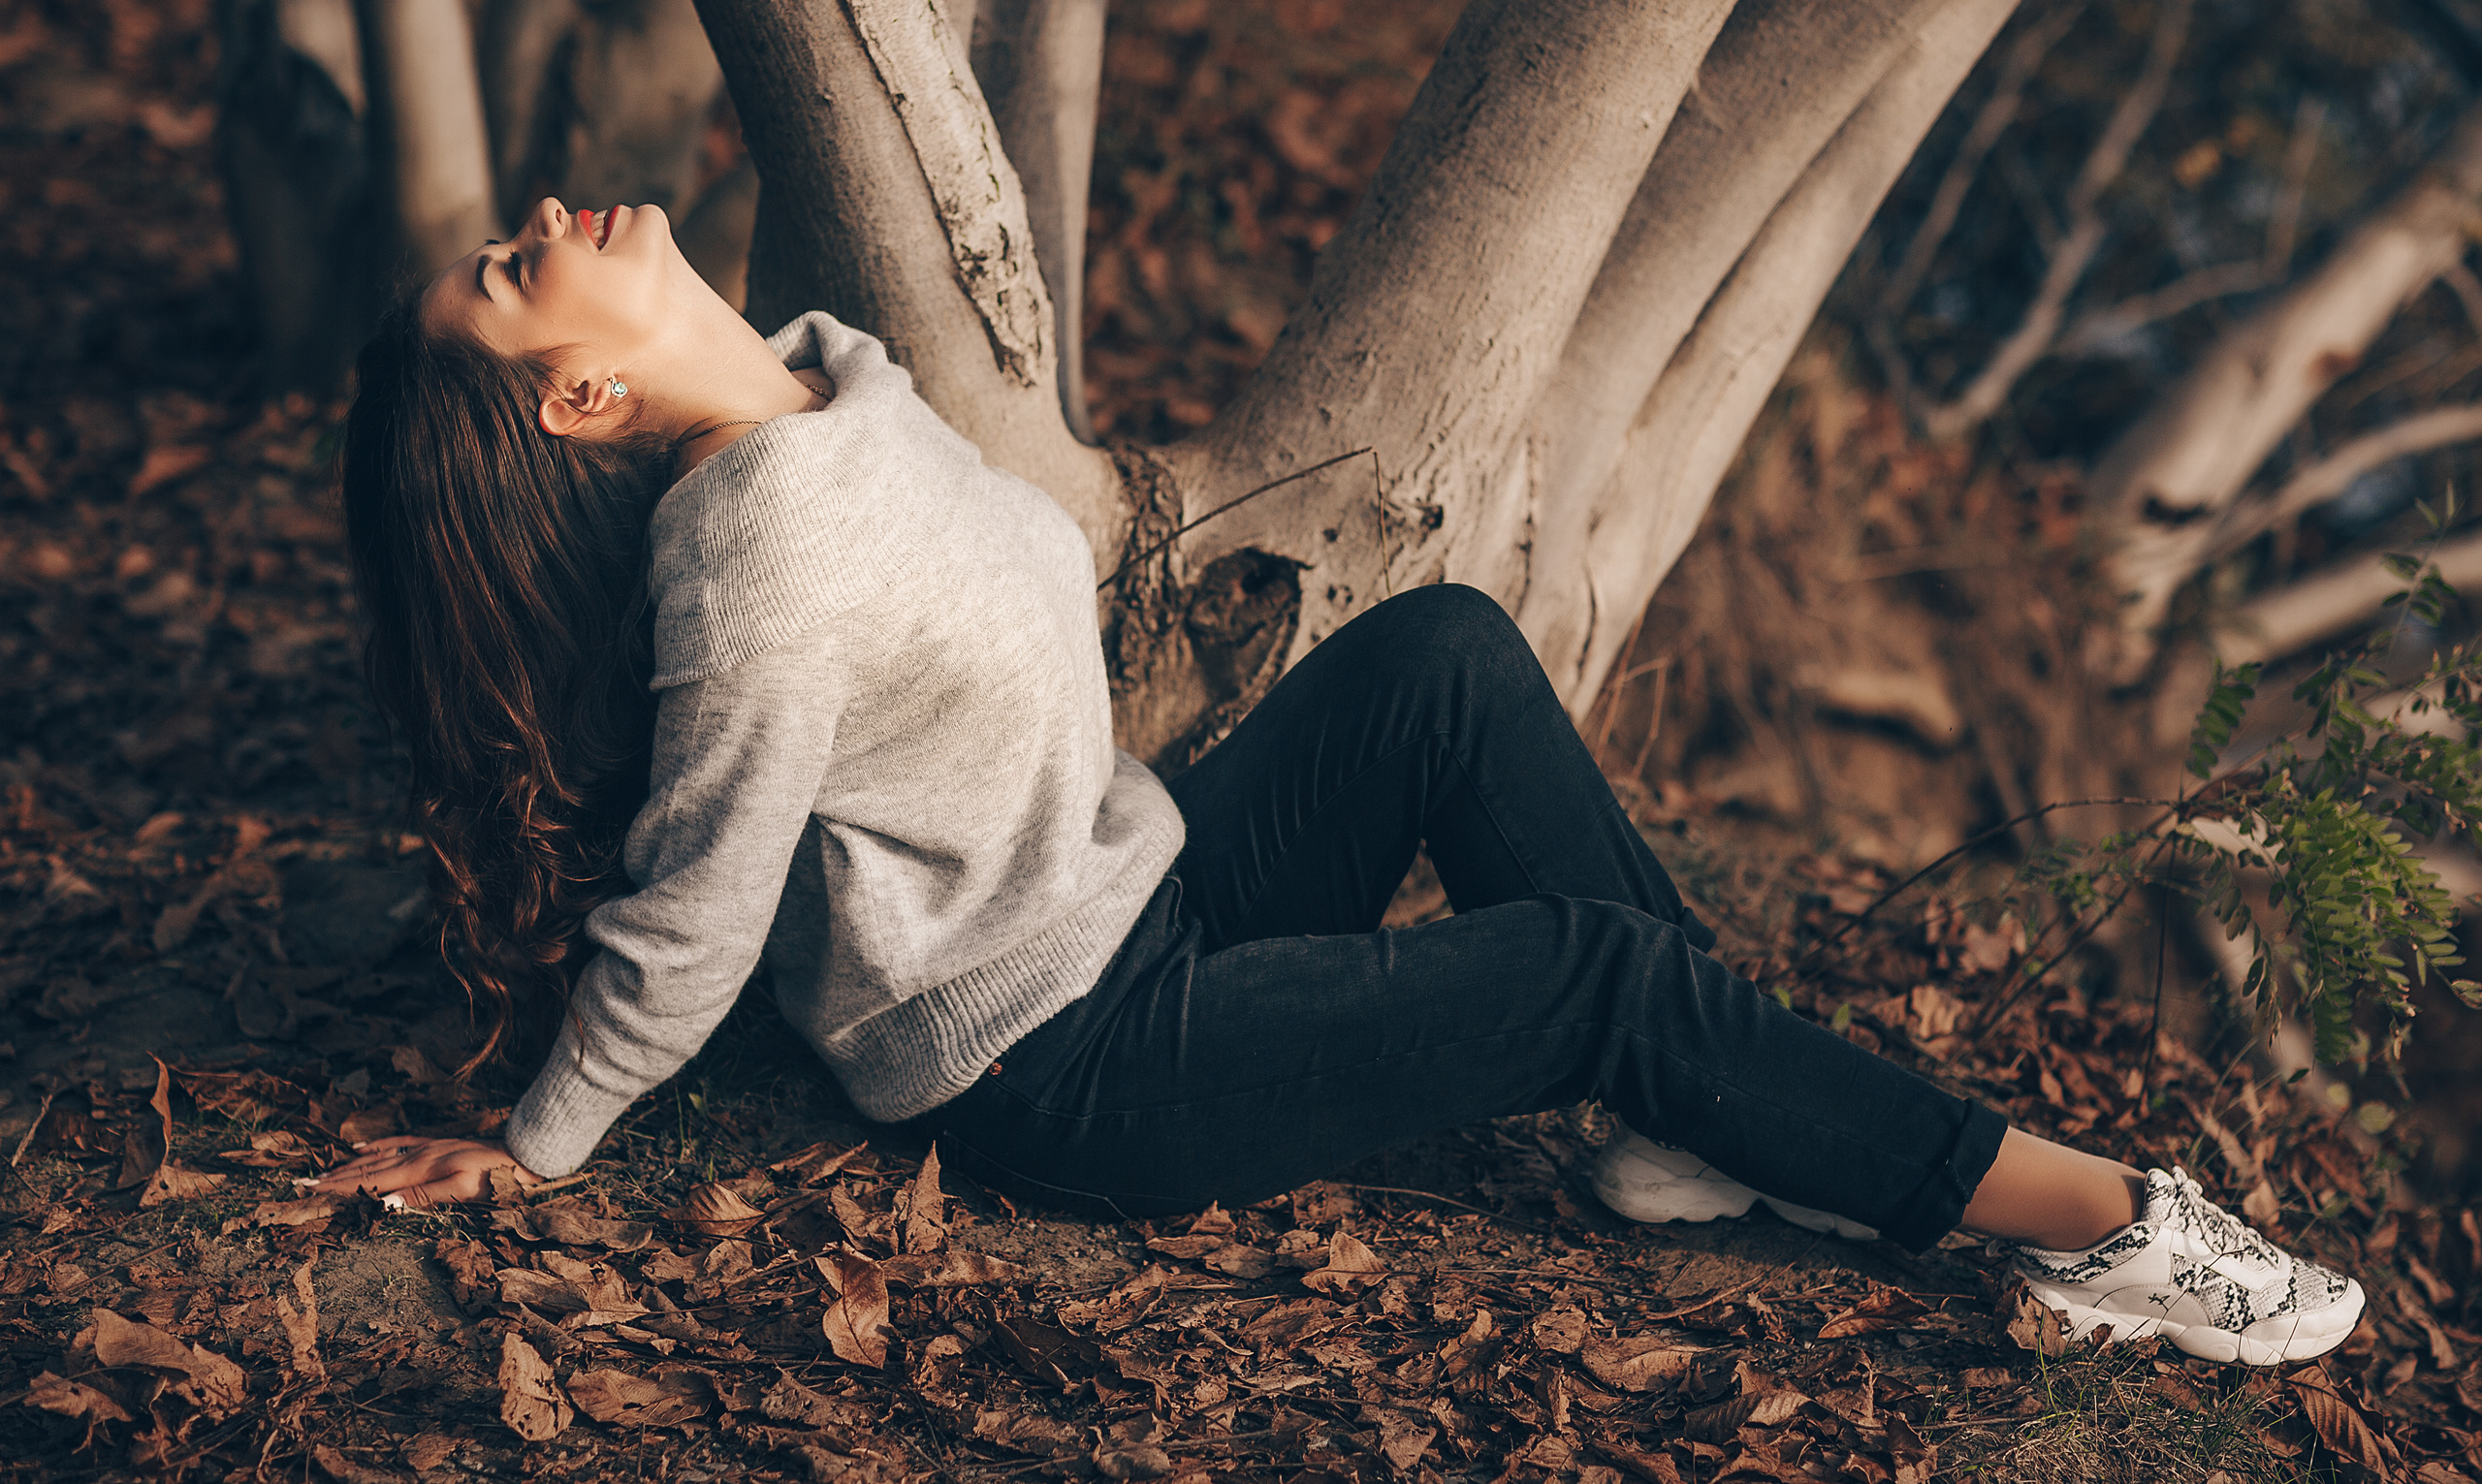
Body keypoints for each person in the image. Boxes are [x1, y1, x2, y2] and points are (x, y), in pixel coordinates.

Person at [312, 196, 2364, 1369]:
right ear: (580, 393)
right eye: (505, 268)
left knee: (1444, 651)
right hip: (1058, 1059)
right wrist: (548, 1133)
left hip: (1140, 884)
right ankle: (2095, 1229)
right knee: (1592, 977)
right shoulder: (745, 561)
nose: (537, 221)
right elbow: (697, 886)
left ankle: (1694, 1115)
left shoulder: (834, 376)